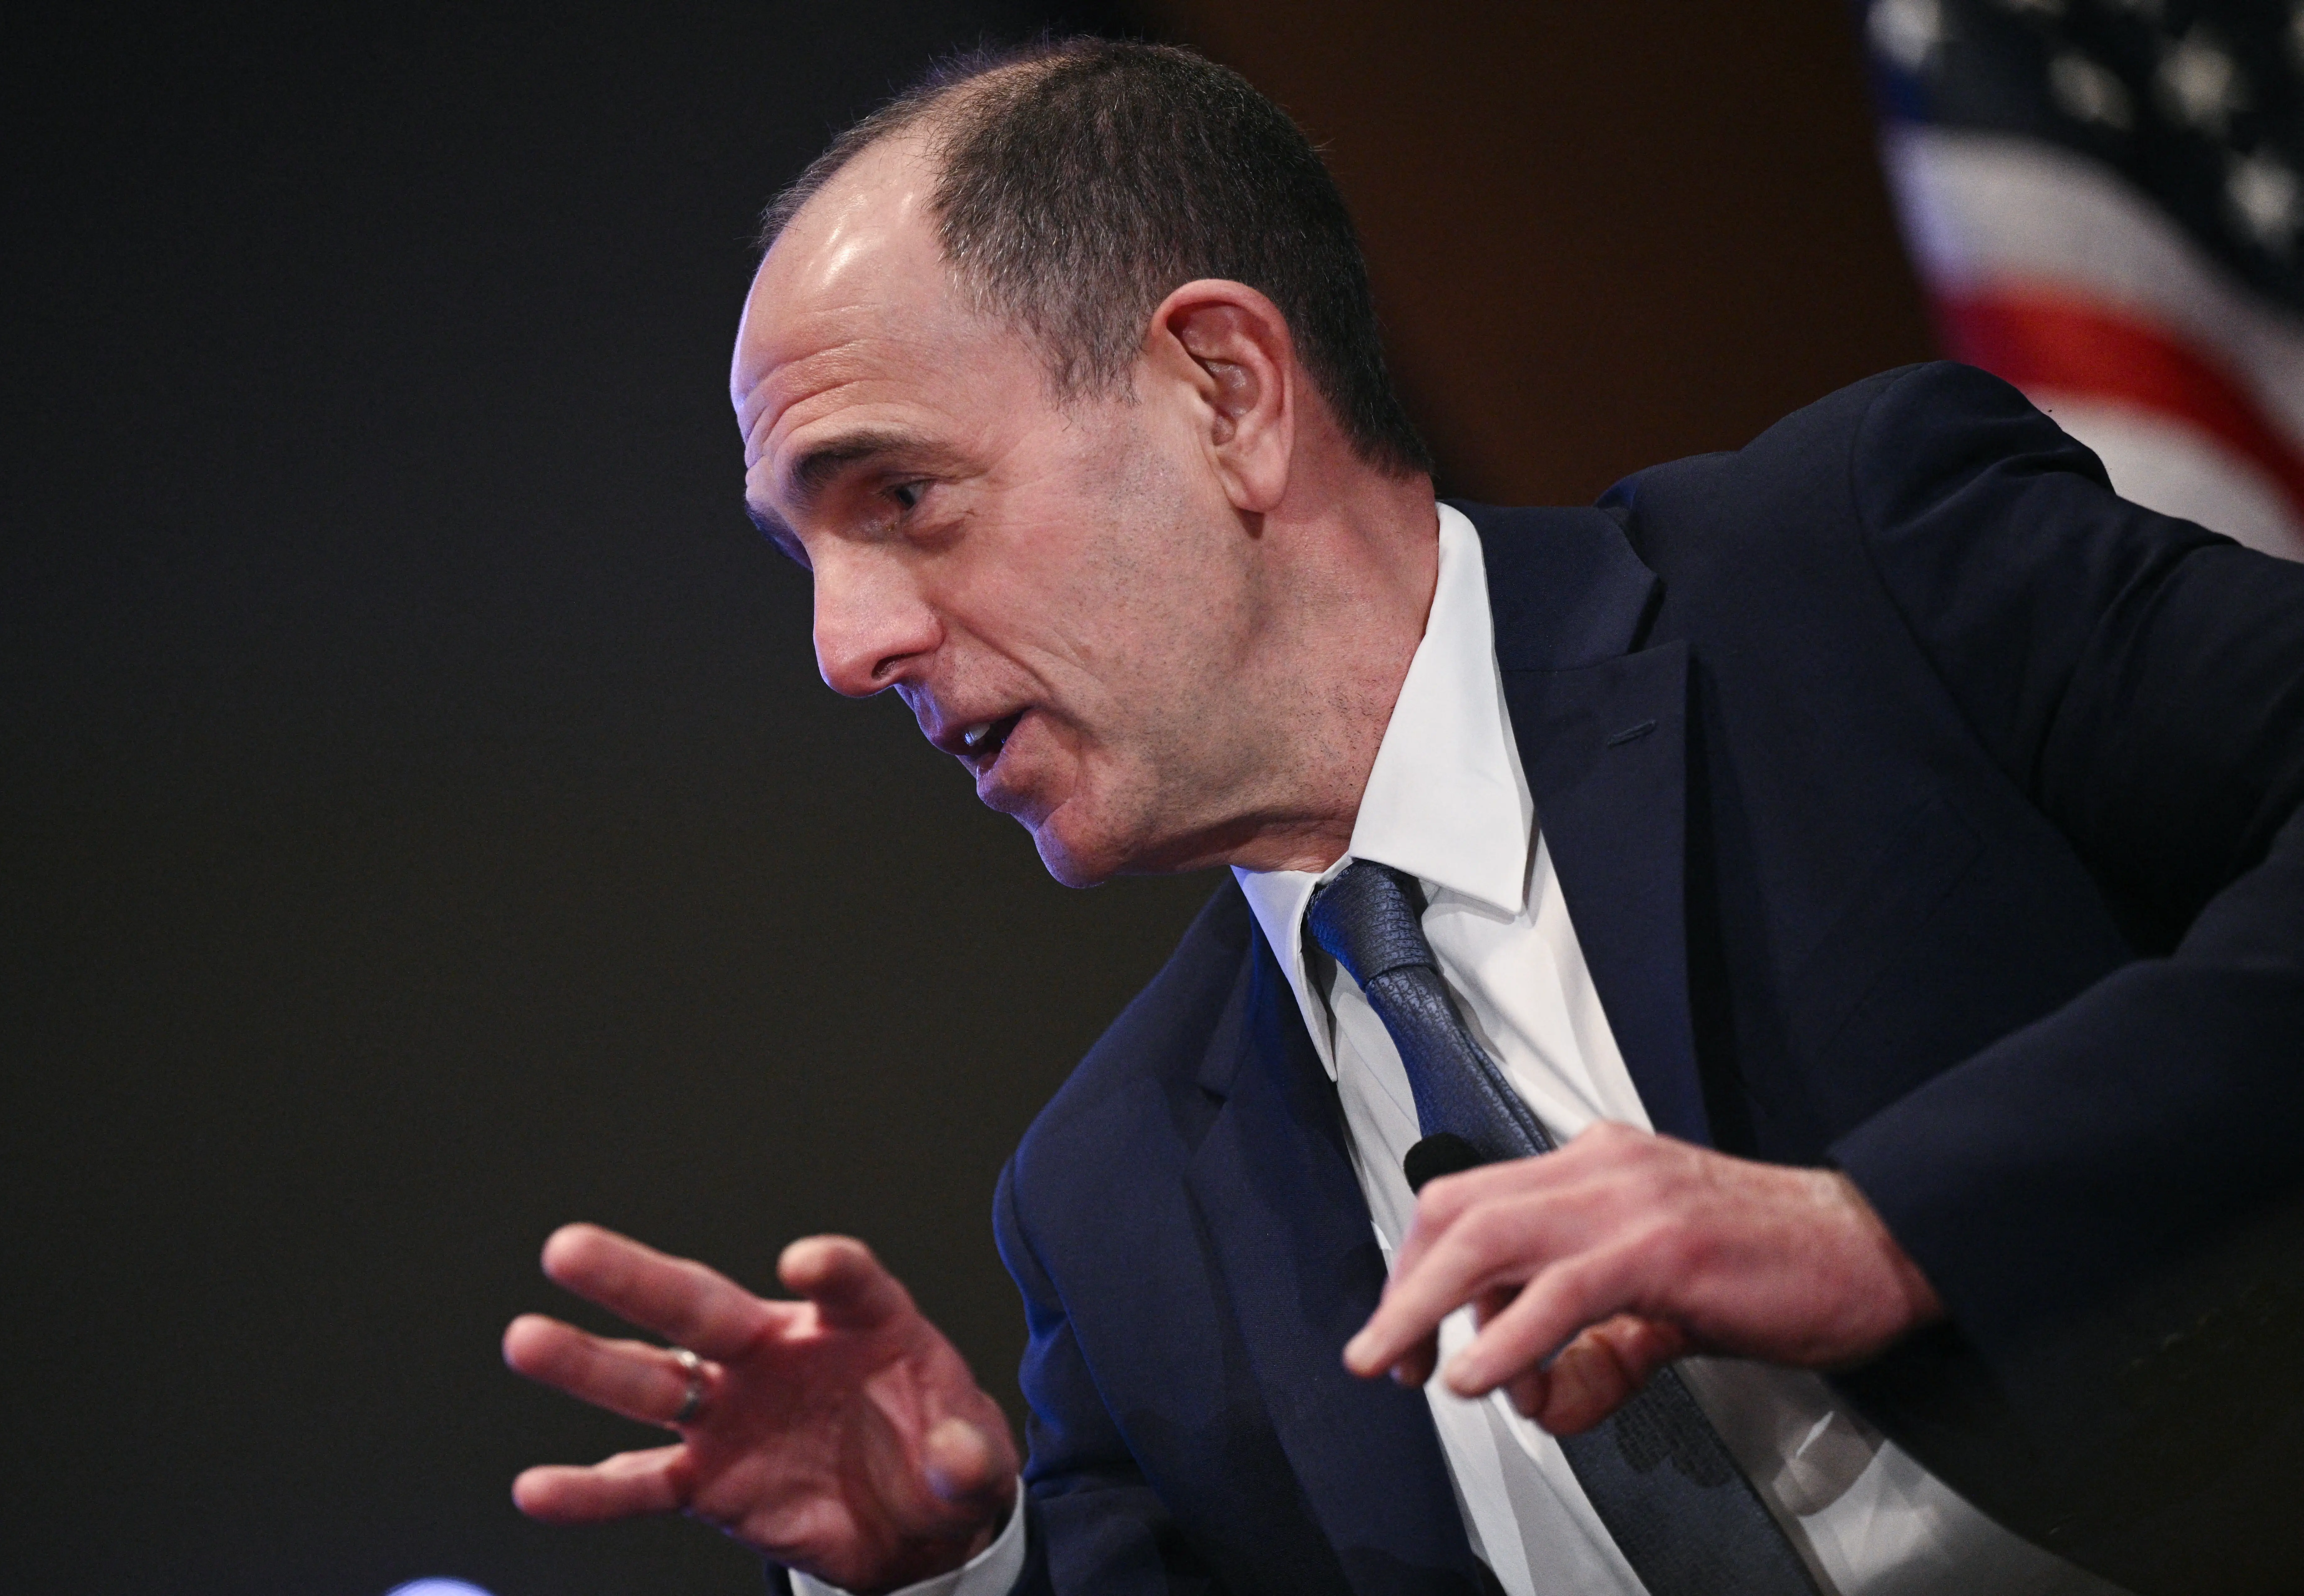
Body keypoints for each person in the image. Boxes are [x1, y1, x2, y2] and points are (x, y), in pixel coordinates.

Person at [500, 40, 2304, 1596]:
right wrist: (944, 1574)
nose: (844, 647)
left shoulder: (1857, 572)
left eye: (900, 493)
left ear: (1226, 395)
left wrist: (1882, 1225)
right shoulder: (1107, 1203)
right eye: (801, 559)